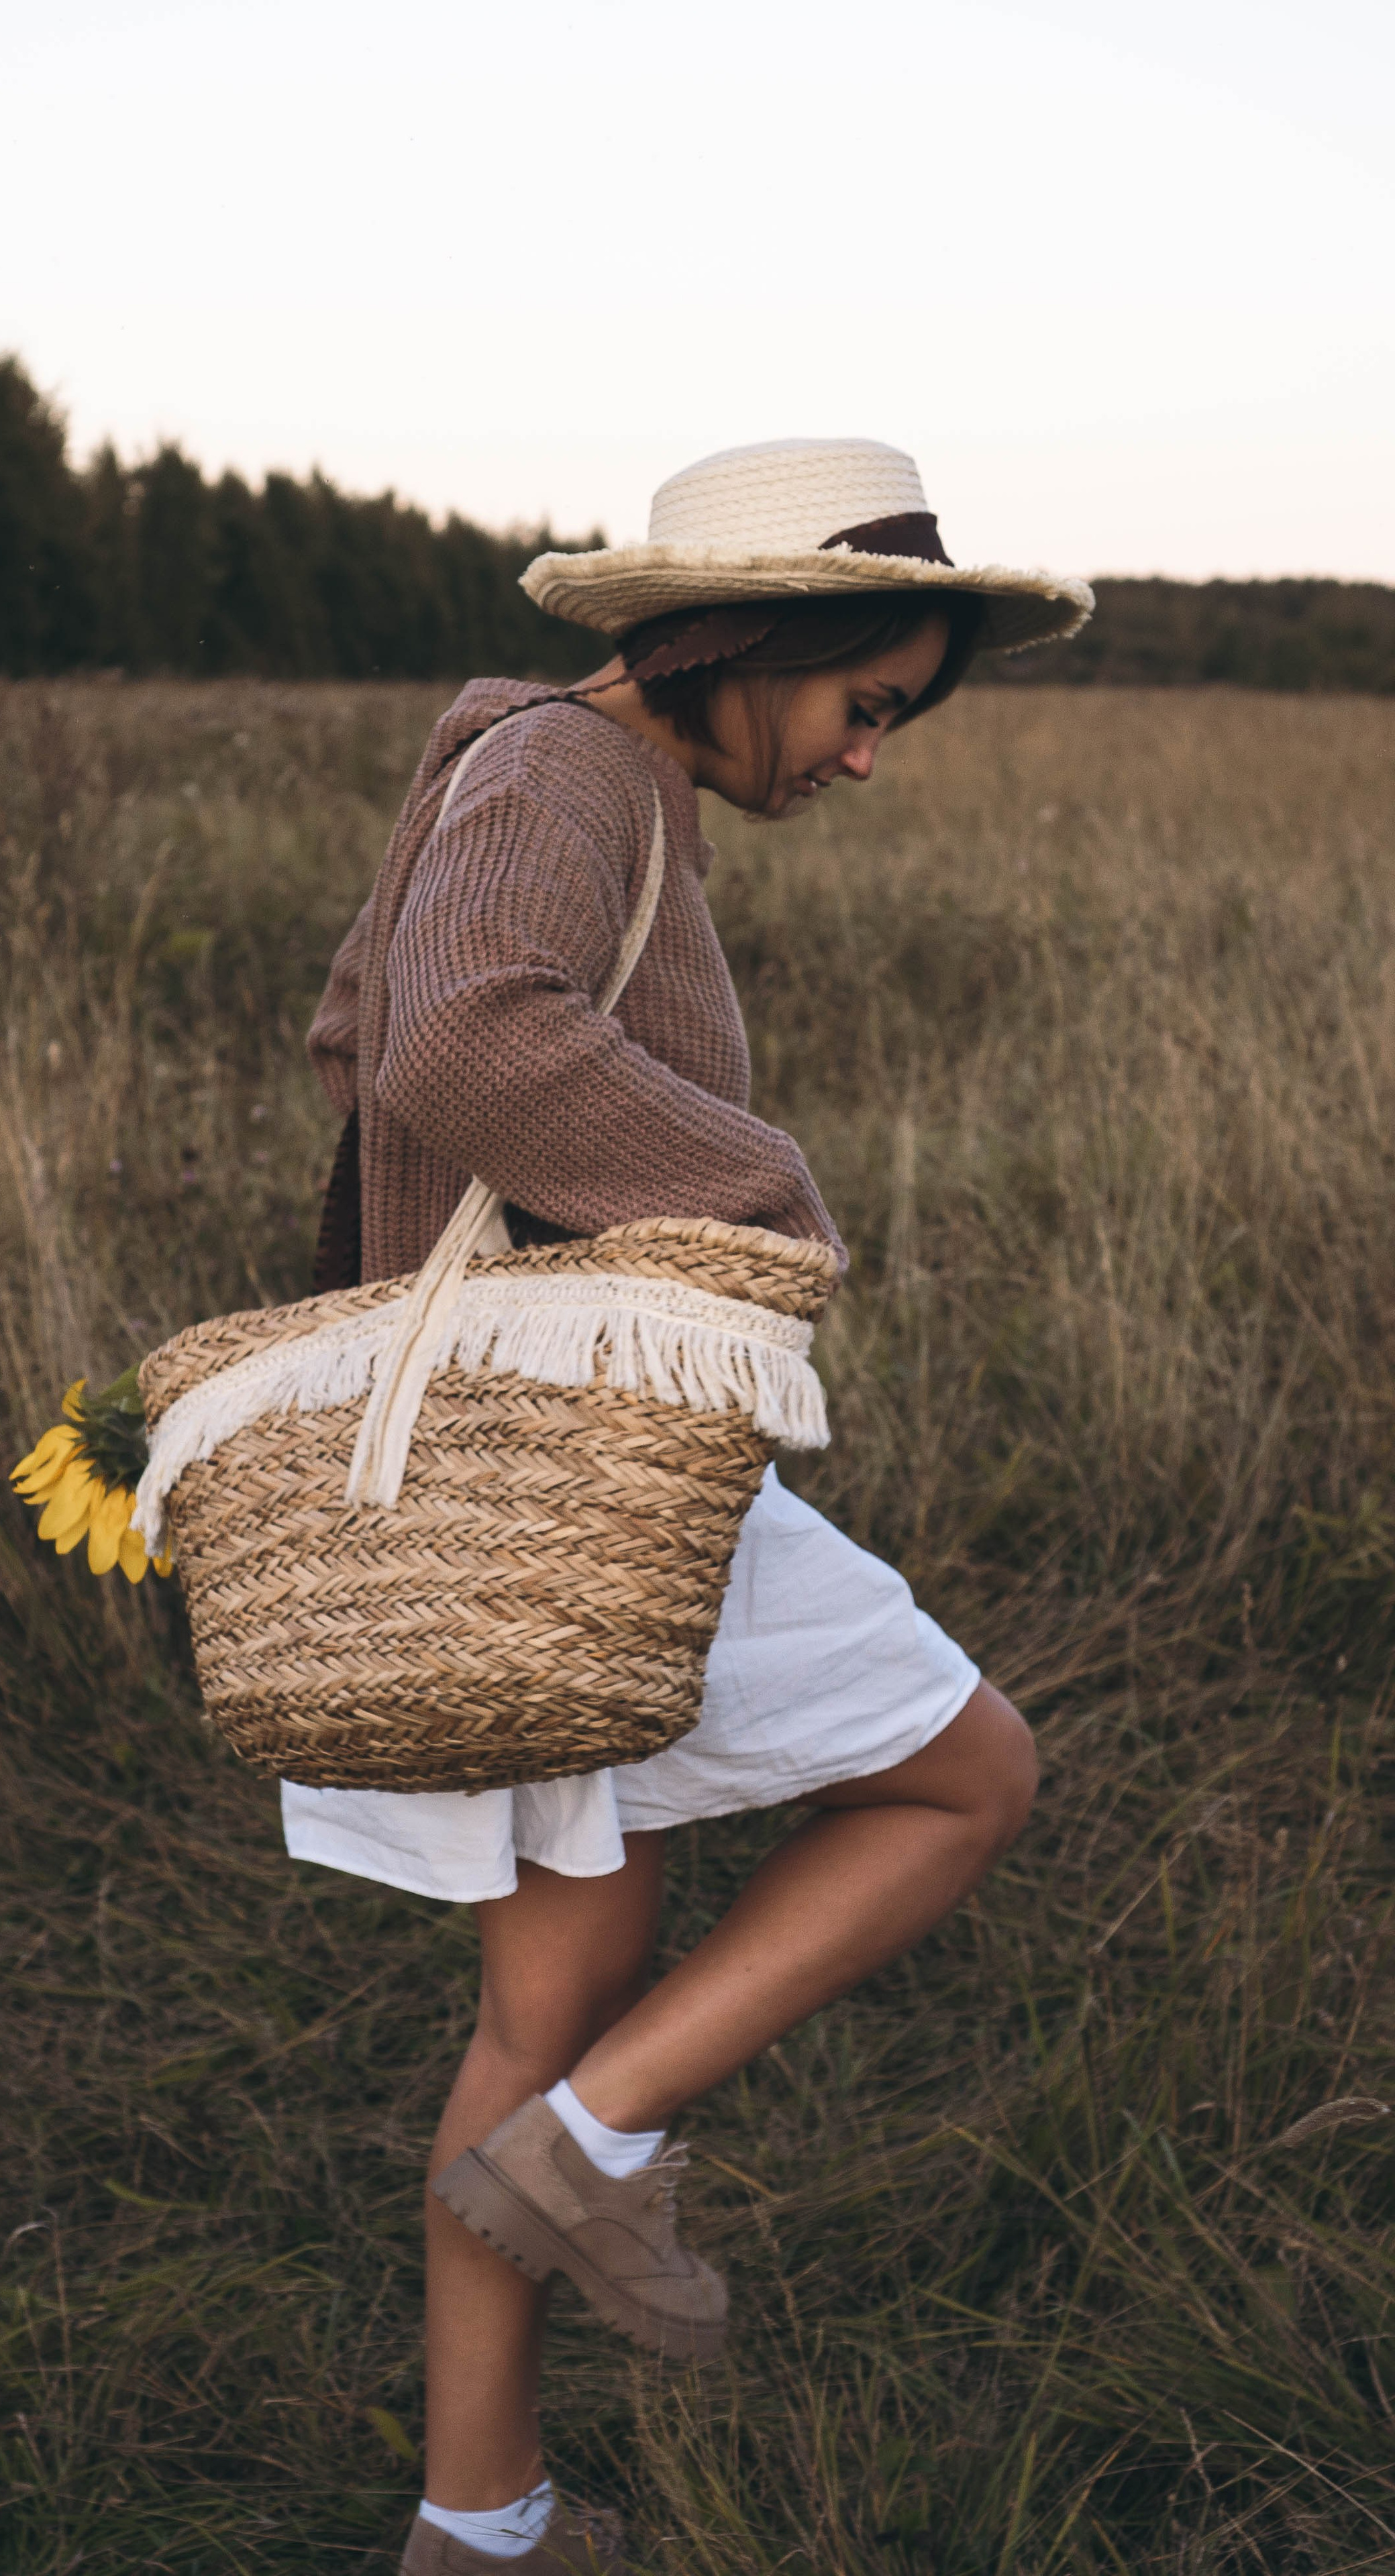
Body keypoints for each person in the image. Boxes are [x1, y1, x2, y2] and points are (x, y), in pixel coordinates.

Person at [295, 439, 1093, 2575]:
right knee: (963, 1781)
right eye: (865, 703)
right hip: (575, 1459)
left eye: (897, 719)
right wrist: (762, 1192)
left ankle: (481, 2531)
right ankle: (585, 2147)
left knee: (547, 2004)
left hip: (549, 1454)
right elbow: (462, 1037)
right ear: (756, 646)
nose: (868, 755)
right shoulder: (565, 773)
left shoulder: (610, 792)